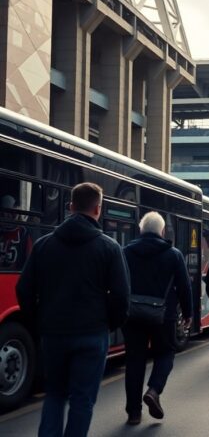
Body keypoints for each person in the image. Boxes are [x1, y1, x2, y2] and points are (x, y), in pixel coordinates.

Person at [16, 182, 130, 436]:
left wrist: (39, 322)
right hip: (92, 334)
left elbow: (24, 289)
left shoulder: (44, 245)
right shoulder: (110, 248)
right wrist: (109, 324)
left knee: (55, 394)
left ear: (70, 207)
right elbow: (122, 296)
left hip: (53, 334)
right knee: (82, 399)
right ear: (98, 209)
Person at [122, 211, 192, 425]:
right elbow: (184, 286)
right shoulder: (173, 254)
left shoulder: (125, 251)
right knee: (166, 354)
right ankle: (154, 390)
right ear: (162, 231)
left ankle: (134, 413)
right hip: (164, 316)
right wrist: (188, 314)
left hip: (132, 315)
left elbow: (117, 282)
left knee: (134, 361)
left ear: (141, 230)